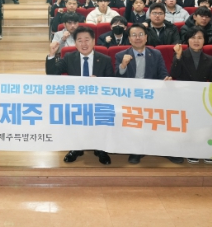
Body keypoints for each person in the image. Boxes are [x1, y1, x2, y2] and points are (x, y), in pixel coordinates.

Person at [46, 26, 114, 165]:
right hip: (76, 99)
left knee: (103, 113)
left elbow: (112, 84)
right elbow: (52, 74)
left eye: (87, 40)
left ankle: (100, 149)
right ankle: (76, 148)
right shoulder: (69, 57)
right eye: (80, 40)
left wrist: (99, 82)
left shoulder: (105, 59)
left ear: (94, 41)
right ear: (75, 43)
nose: (84, 44)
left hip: (98, 100)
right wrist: (52, 55)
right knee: (71, 111)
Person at [115, 24, 176, 164]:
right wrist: (123, 66)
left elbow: (162, 73)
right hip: (129, 97)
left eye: (141, 35)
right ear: (129, 39)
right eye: (134, 35)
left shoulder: (156, 54)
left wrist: (166, 80)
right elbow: (116, 80)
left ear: (146, 37)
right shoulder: (121, 55)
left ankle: (165, 149)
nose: (138, 38)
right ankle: (137, 150)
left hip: (151, 95)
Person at [170, 28, 212, 164]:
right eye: (193, 38)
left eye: (200, 38)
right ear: (187, 40)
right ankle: (192, 149)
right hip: (183, 96)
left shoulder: (209, 59)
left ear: (204, 41)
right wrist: (178, 56)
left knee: (208, 115)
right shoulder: (180, 54)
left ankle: (205, 148)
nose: (196, 41)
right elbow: (174, 74)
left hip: (201, 97)